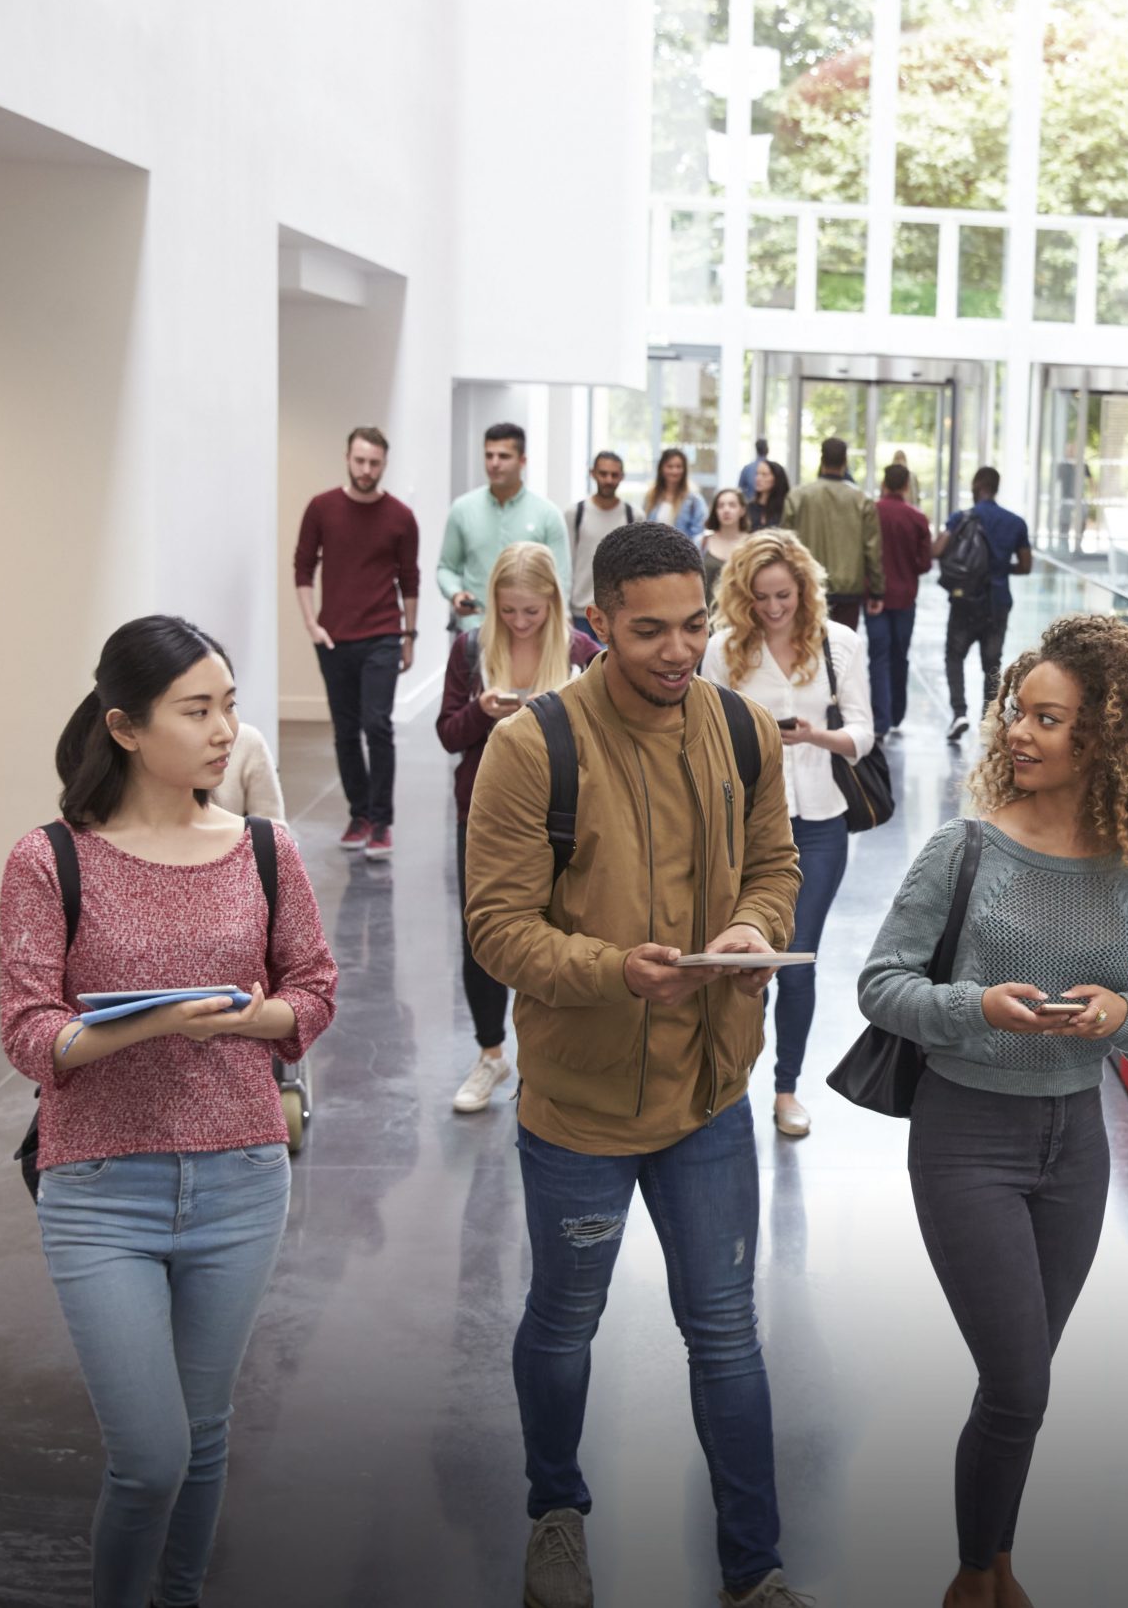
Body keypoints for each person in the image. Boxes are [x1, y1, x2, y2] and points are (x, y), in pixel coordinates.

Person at [856, 614, 1128, 1608]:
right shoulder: (965, 848)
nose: (1018, 732)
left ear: (1105, 739)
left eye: (1047, 719)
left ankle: (996, 1562)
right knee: (1021, 1384)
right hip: (965, 1136)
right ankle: (972, 1579)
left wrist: (1123, 1018)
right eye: (1016, 713)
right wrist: (973, 1006)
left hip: (1075, 1145)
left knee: (1018, 1388)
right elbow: (881, 984)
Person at [464, 523, 811, 1608]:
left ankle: (755, 1572)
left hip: (710, 1090)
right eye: (649, 630)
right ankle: (554, 1512)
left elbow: (774, 865)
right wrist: (617, 970)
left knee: (725, 1332)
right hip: (580, 1104)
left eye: (693, 625)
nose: (677, 650)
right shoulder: (534, 747)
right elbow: (496, 929)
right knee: (565, 1323)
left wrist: (755, 927)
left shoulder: (744, 731)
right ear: (598, 623)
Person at [0, 615, 338, 1608]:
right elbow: (30, 1035)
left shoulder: (266, 849)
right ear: (126, 727)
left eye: (229, 704)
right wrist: (154, 1028)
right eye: (198, 711)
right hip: (100, 1183)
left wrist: (244, 1019)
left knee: (206, 1429)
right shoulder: (49, 859)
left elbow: (314, 992)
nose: (225, 729)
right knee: (149, 1456)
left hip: (241, 1172)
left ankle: (179, 1596)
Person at [701, 530, 873, 1141]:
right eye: (761, 598)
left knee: (795, 963)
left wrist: (813, 736)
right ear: (743, 597)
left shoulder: (840, 644)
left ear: (803, 588)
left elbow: (863, 734)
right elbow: (706, 733)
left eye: (784, 595)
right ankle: (730, 1085)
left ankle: (785, 1088)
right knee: (742, 960)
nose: (774, 608)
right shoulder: (723, 649)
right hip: (745, 822)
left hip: (822, 822)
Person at [440, 542, 602, 1116]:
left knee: (559, 931)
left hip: (566, 812)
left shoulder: (583, 651)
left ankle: (547, 1058)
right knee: (483, 935)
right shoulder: (470, 649)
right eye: (508, 611)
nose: (519, 622)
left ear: (554, 604)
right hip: (484, 812)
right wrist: (482, 711)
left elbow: (606, 738)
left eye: (531, 612)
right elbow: (447, 735)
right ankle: (490, 1054)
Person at [293, 425, 419, 860]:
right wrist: (312, 624)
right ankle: (359, 813)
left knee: (377, 725)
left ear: (384, 463)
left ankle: (382, 821)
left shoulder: (401, 516)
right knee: (346, 731)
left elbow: (410, 579)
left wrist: (409, 635)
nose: (367, 469)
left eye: (375, 463)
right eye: (360, 460)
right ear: (348, 458)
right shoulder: (322, 508)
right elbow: (302, 567)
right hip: (334, 638)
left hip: (383, 633)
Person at [439, 422, 570, 636]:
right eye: (489, 456)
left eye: (504, 456)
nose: (494, 463)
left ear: (522, 461)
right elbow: (446, 567)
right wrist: (456, 594)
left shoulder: (547, 514)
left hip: (529, 633)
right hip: (475, 629)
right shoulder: (462, 509)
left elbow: (561, 579)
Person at [937, 466, 1034, 742]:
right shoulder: (1015, 523)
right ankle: (987, 720)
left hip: (964, 600)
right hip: (997, 601)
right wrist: (1001, 569)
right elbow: (1026, 566)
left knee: (954, 656)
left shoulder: (961, 518)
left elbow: (938, 549)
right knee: (992, 663)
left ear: (977, 485)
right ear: (996, 487)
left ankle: (959, 713)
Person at [781, 436, 882, 628]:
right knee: (843, 650)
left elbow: (785, 543)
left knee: (806, 646)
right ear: (845, 462)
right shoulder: (861, 500)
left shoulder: (798, 496)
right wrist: (877, 591)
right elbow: (872, 549)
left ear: (822, 460)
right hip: (849, 589)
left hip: (807, 584)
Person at [868, 459, 935, 736]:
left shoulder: (871, 513)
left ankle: (880, 719)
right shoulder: (917, 518)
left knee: (878, 656)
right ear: (907, 486)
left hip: (875, 596)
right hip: (906, 597)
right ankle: (897, 714)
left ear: (883, 484)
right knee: (900, 655)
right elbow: (925, 564)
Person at [568, 449, 640, 639]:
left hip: (619, 611)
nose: (608, 480)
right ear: (593, 474)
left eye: (614, 475)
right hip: (580, 612)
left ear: (621, 477)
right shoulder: (575, 513)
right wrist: (564, 611)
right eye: (603, 473)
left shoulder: (634, 516)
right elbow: (566, 564)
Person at [207, 719, 286, 824]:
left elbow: (273, 828)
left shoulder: (246, 740)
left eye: (230, 706)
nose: (228, 735)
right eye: (200, 712)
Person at [643, 446, 709, 538]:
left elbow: (698, 534)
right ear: (661, 469)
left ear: (684, 469)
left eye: (679, 467)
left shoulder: (694, 500)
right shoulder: (651, 496)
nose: (674, 471)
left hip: (683, 550)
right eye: (670, 466)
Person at [701, 487, 753, 602]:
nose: (726, 510)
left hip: (740, 614)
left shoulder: (752, 544)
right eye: (721, 506)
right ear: (715, 511)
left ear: (742, 510)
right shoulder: (702, 542)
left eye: (732, 505)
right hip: (707, 615)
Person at [748, 459, 792, 532]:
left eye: (764, 474)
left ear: (776, 479)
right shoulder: (749, 508)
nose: (758, 478)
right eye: (757, 474)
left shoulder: (786, 508)